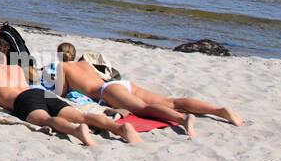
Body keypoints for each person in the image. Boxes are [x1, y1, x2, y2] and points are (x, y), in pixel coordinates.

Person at [0, 37, 140, 146]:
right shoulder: (16, 67)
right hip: (39, 92)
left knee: (46, 119)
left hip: (22, 99)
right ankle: (120, 129)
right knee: (81, 116)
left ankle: (76, 131)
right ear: (4, 54)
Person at [51, 45, 242, 136]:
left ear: (59, 56)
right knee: (171, 101)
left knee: (142, 108)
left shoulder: (63, 67)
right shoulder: (85, 62)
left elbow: (61, 91)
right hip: (122, 84)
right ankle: (219, 111)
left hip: (106, 92)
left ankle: (183, 119)